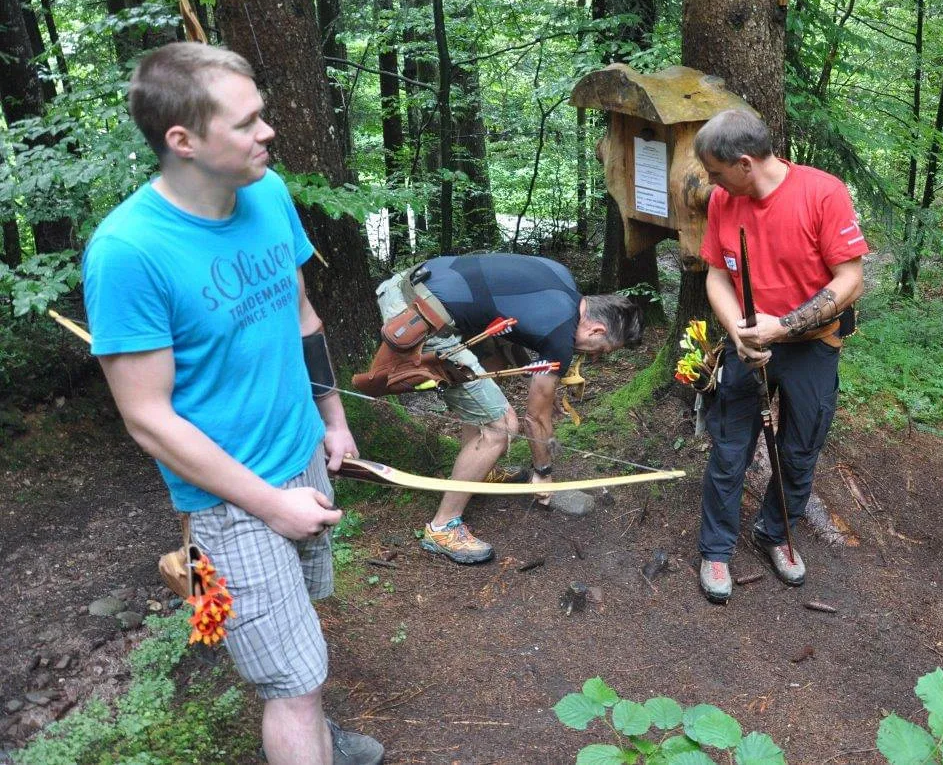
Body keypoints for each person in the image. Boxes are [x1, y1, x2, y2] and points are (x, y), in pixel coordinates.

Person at [83, 42, 383, 765]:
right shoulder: (128, 252)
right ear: (182, 141)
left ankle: (319, 737)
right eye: (246, 123)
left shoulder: (267, 193)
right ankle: (308, 732)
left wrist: (333, 421)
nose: (267, 132)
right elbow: (147, 418)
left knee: (301, 640)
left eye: (262, 116)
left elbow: (302, 317)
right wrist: (271, 504)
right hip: (229, 501)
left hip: (302, 456)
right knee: (292, 686)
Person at [694, 109, 868, 603]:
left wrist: (784, 325)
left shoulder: (822, 193)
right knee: (730, 449)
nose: (711, 182)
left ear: (745, 163)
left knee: (799, 447)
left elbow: (851, 280)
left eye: (716, 171)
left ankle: (775, 533)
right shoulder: (723, 200)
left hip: (812, 346)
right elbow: (717, 276)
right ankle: (716, 549)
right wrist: (738, 330)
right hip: (748, 346)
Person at [371, 254, 643, 565]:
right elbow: (535, 418)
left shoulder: (563, 281)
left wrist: (544, 385)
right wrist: (543, 473)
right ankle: (442, 528)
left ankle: (476, 472)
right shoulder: (561, 333)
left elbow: (514, 326)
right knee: (500, 427)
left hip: (411, 285)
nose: (595, 358)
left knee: (485, 385)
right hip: (416, 319)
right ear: (596, 330)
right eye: (602, 351)